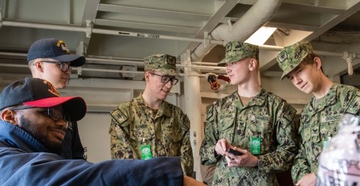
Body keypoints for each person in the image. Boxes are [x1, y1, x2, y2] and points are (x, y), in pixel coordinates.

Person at [0, 77, 205, 186]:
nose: (62, 123)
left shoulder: (43, 152)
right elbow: (41, 177)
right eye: (51, 112)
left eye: (63, 115)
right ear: (9, 116)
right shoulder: (5, 159)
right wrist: (167, 176)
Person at [199, 41, 298, 186]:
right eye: (227, 64)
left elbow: (290, 153)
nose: (228, 69)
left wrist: (256, 161)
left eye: (233, 63)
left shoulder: (277, 107)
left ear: (252, 64)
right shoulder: (219, 108)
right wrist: (216, 149)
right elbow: (203, 153)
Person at [276, 41, 360, 186]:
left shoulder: (350, 98)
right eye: (291, 77)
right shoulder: (307, 113)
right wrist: (303, 179)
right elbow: (301, 154)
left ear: (316, 63)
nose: (297, 81)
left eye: (299, 71)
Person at [109, 54, 194, 177]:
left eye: (171, 79)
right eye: (164, 78)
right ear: (148, 76)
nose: (169, 85)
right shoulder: (125, 114)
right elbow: (122, 164)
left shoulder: (177, 116)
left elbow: (186, 164)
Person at [27, 38, 86, 159]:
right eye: (62, 65)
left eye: (69, 66)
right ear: (39, 66)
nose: (68, 72)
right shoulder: (17, 107)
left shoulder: (66, 110)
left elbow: (77, 157)